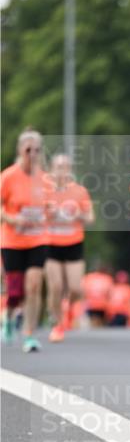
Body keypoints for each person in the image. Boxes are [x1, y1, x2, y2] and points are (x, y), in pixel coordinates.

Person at [0, 129, 50, 351]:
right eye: (28, 150)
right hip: (12, 240)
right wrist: (12, 218)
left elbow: (51, 206)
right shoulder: (8, 177)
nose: (33, 154)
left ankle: (29, 334)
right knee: (15, 292)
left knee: (34, 285)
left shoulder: (45, 179)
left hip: (38, 239)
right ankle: (9, 317)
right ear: (20, 150)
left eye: (37, 150)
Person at [44, 153, 95, 342]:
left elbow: (90, 218)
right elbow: (35, 217)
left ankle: (66, 310)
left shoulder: (79, 191)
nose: (61, 171)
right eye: (58, 167)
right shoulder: (44, 191)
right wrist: (50, 214)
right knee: (55, 286)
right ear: (51, 170)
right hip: (50, 242)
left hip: (73, 242)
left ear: (70, 170)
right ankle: (57, 325)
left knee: (75, 288)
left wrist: (77, 215)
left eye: (65, 167)